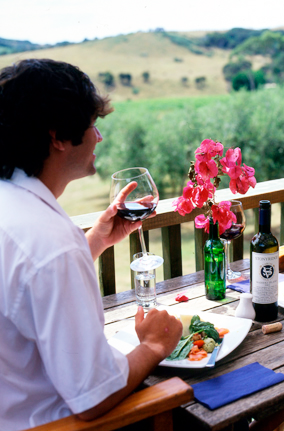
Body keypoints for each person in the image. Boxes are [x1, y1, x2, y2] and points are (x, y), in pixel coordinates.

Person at [0, 58, 182, 431]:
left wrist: (95, 241)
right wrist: (153, 346)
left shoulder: (12, 208)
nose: (98, 137)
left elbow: (25, 290)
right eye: (92, 125)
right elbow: (95, 396)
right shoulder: (49, 240)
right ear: (58, 136)